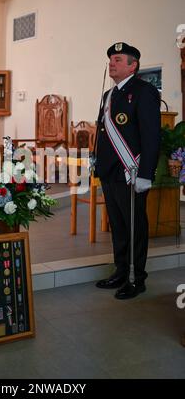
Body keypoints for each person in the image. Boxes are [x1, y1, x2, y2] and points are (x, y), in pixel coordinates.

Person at [94, 42, 161, 299]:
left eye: (118, 59)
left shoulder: (144, 92)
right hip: (110, 172)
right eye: (111, 59)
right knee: (119, 227)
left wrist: (146, 173)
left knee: (134, 227)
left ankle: (136, 278)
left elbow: (151, 136)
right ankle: (121, 271)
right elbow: (104, 132)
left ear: (133, 65)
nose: (112, 62)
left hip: (131, 173)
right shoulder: (109, 95)